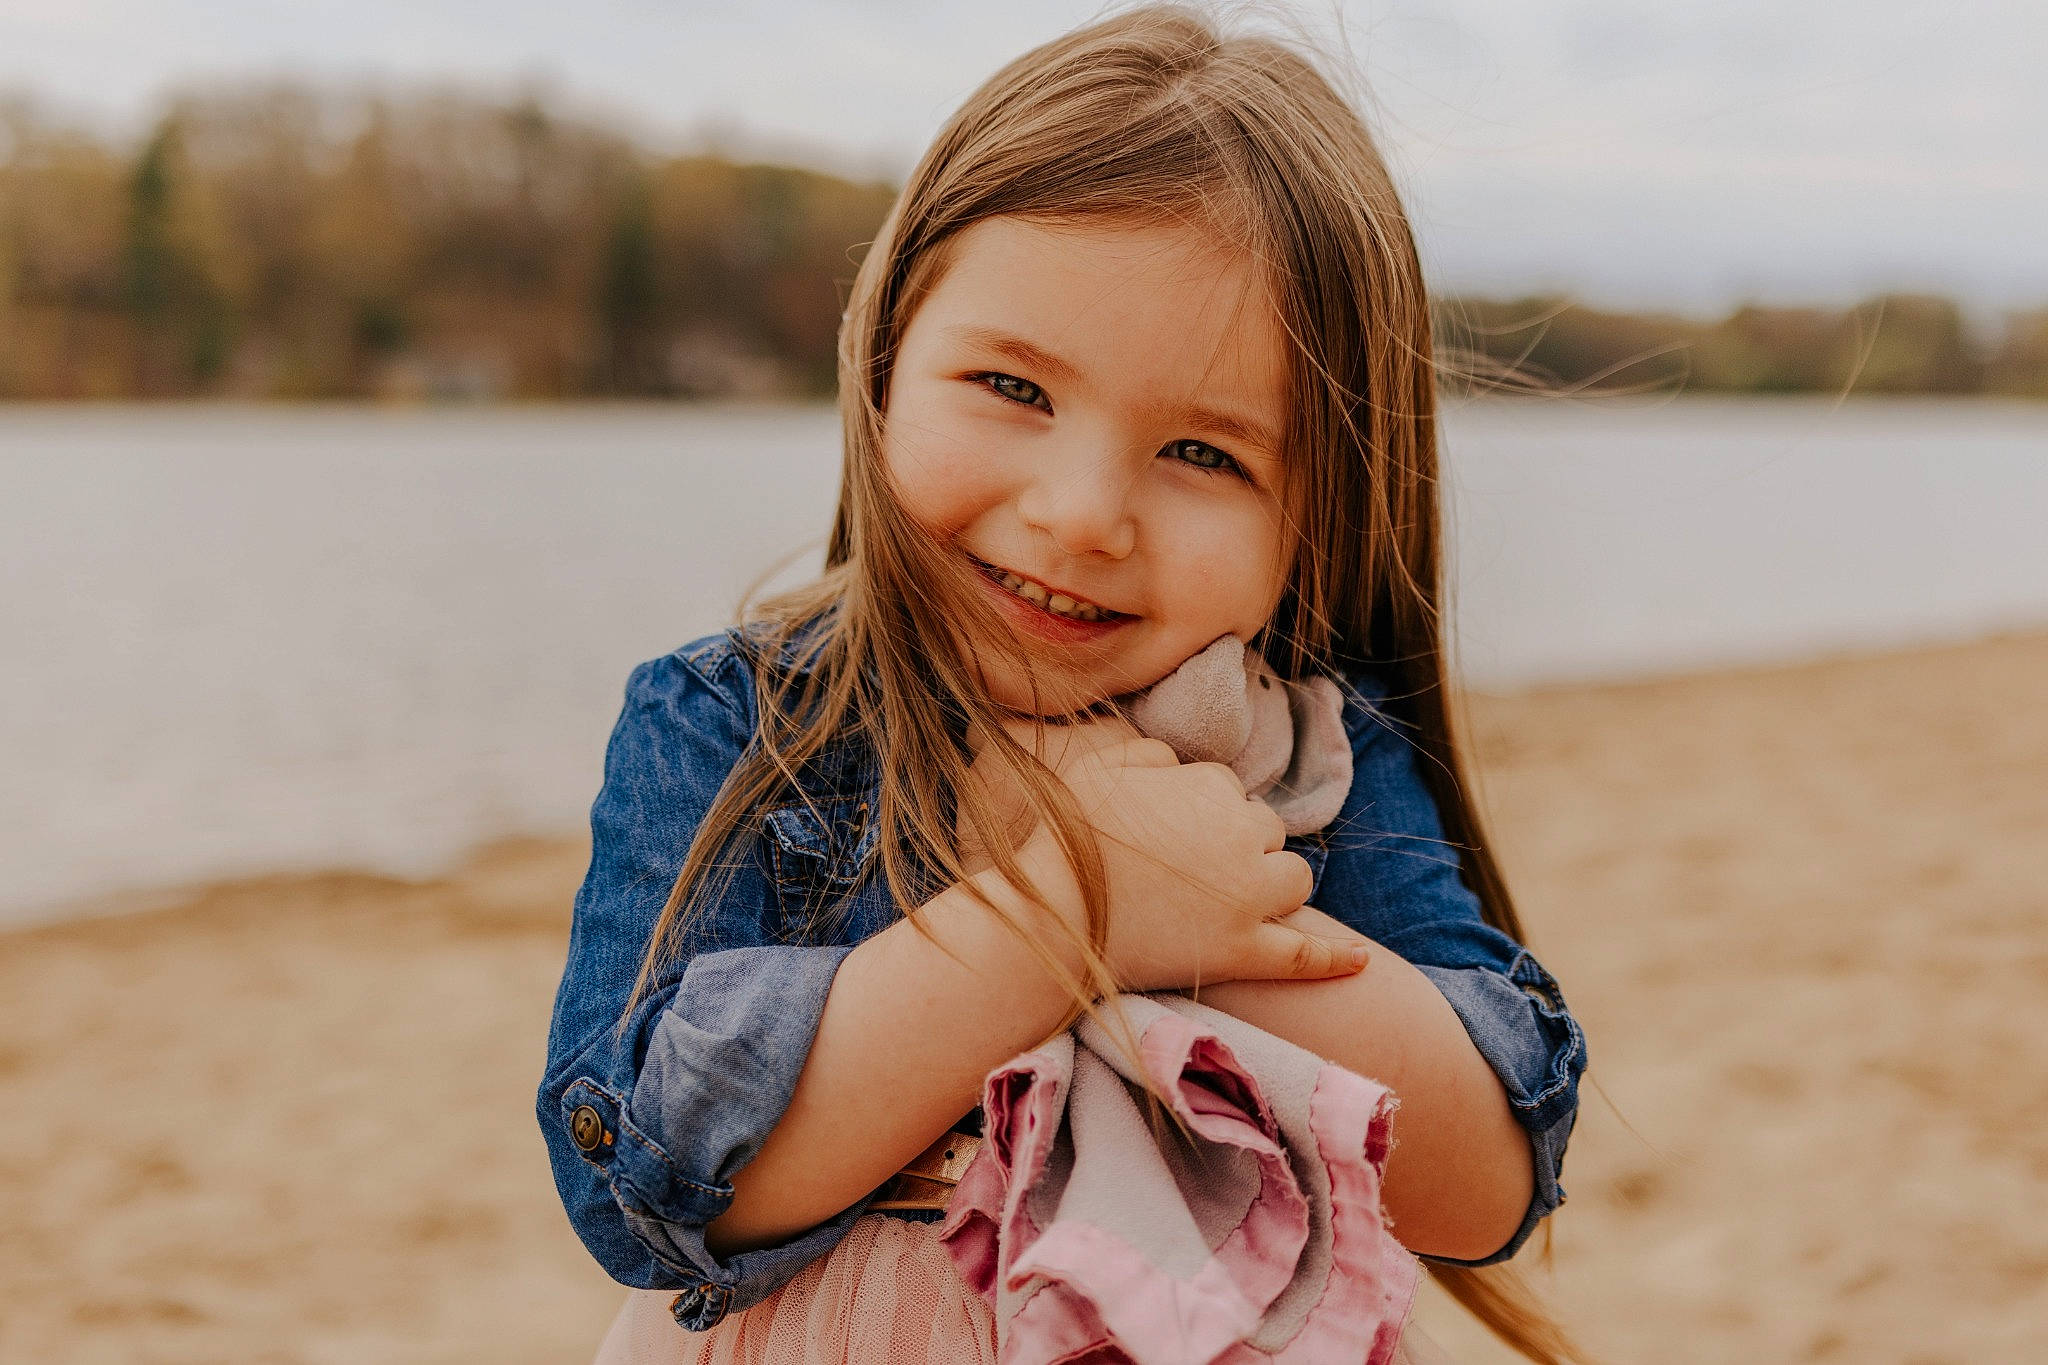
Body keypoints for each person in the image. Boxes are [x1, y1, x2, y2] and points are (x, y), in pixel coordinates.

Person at [538, 6, 1589, 1361]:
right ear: (882, 361)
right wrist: (1073, 906)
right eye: (1012, 387)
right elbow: (650, 1181)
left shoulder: (1315, 756)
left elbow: (1490, 1176)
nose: (1084, 513)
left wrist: (1192, 914)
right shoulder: (739, 725)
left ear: (1317, 517)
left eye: (1204, 454)